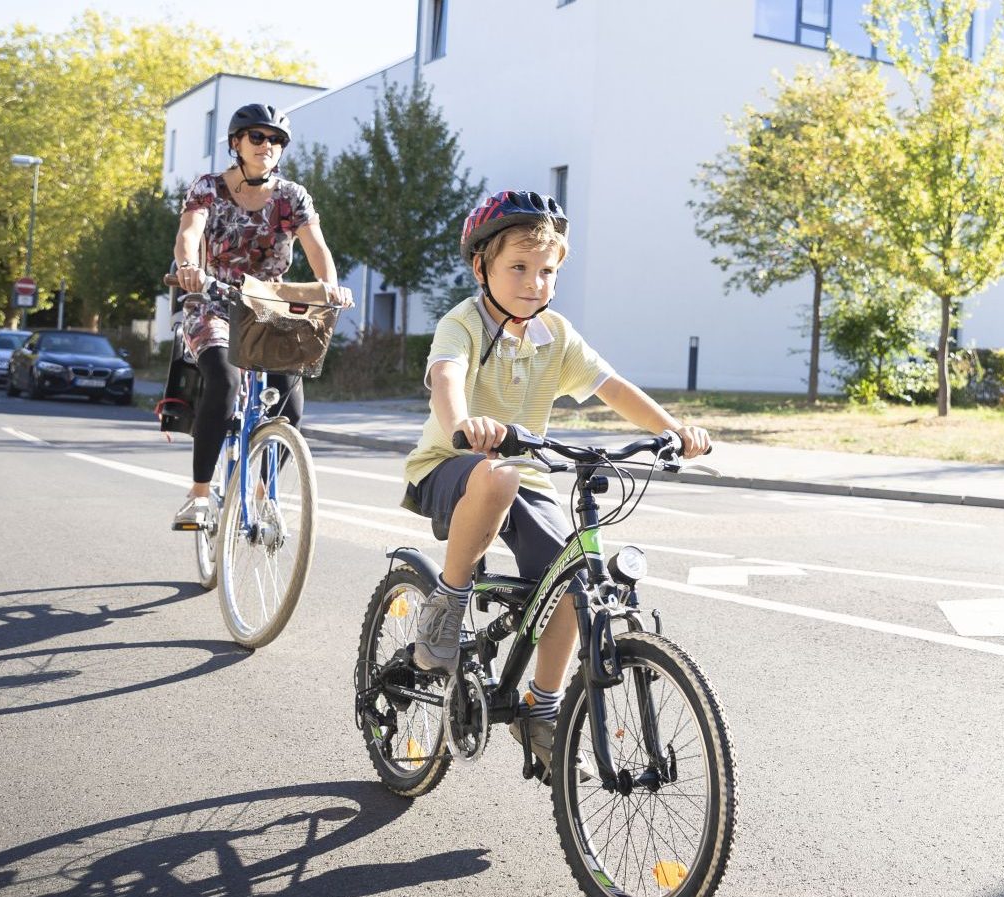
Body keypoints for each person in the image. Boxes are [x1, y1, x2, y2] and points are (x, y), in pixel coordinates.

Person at [401, 190, 711, 776]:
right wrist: (464, 423)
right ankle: (449, 600)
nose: (534, 283)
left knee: (576, 577)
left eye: (547, 271)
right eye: (518, 268)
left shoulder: (555, 334)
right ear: (481, 268)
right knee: (497, 474)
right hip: (452, 466)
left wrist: (675, 430)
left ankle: (540, 709)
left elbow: (612, 387)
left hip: (526, 479)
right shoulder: (462, 322)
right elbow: (447, 378)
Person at [169, 102, 345, 529]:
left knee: (291, 405)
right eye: (258, 137)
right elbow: (190, 232)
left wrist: (331, 287)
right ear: (237, 143)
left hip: (270, 304)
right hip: (213, 296)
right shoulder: (208, 187)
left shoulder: (291, 196)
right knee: (223, 379)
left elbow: (316, 247)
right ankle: (198, 496)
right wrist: (189, 267)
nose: (267, 145)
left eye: (276, 140)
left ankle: (265, 495)